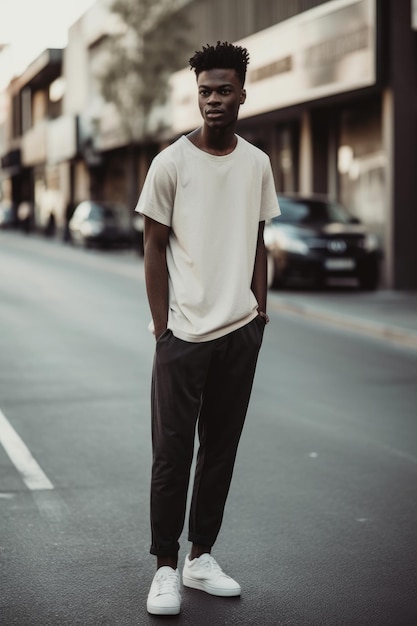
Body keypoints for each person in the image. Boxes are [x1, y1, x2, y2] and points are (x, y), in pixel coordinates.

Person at [135, 41, 281, 616]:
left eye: (223, 91)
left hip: (239, 332)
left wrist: (260, 312)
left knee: (219, 450)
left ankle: (200, 558)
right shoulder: (171, 163)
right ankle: (165, 568)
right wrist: (161, 327)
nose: (213, 101)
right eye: (205, 92)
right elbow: (152, 247)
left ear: (243, 93)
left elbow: (259, 242)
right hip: (183, 335)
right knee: (171, 455)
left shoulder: (257, 163)